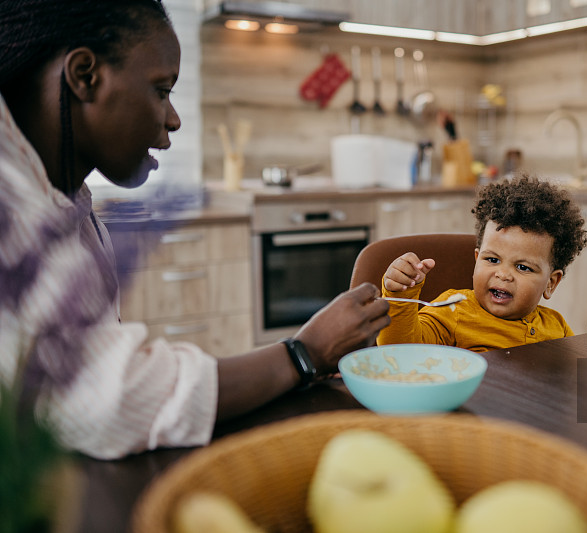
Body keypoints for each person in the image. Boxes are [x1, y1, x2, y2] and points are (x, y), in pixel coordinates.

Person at [0, 0, 389, 460]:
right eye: (161, 90)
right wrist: (304, 353)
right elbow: (114, 396)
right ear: (85, 75)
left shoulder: (57, 190)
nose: (173, 118)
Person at [378, 175, 587, 351]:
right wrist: (401, 295)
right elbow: (399, 350)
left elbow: (569, 380)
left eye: (522, 267)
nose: (503, 275)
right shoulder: (453, 312)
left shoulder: (557, 327)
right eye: (492, 259)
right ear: (477, 260)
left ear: (551, 283)